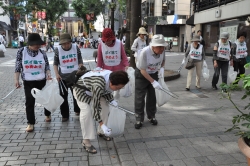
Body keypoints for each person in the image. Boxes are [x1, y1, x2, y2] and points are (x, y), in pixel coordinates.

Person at [73, 69, 129, 154]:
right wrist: (101, 123)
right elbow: (95, 107)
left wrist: (111, 100)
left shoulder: (112, 75)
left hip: (96, 90)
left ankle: (101, 132)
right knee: (87, 112)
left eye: (120, 88)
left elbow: (106, 89)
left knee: (105, 107)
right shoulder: (98, 85)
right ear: (111, 82)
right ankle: (86, 142)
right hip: (82, 90)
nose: (117, 90)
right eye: (117, 88)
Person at [14, 33, 52, 132]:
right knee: (29, 102)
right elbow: (18, 66)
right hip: (28, 81)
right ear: (30, 43)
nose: (37, 46)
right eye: (35, 44)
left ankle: (47, 113)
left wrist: (49, 75)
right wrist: (16, 80)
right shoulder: (21, 52)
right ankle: (30, 123)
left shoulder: (42, 53)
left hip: (41, 80)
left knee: (45, 99)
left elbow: (47, 66)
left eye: (38, 44)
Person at [134, 34, 166, 129]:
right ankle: (139, 118)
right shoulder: (144, 52)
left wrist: (161, 69)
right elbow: (143, 70)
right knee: (140, 97)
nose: (162, 50)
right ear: (154, 46)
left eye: (163, 47)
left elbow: (163, 61)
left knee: (152, 96)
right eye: (160, 48)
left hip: (153, 73)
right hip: (141, 75)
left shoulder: (162, 51)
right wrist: (153, 82)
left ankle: (151, 116)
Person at [53, 33, 83, 121]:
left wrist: (81, 68)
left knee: (76, 94)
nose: (66, 45)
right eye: (64, 43)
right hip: (63, 77)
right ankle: (65, 115)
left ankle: (77, 110)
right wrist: (57, 74)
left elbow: (80, 59)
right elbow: (55, 63)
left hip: (75, 75)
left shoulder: (75, 47)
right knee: (63, 95)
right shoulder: (57, 50)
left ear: (70, 42)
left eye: (67, 43)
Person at [97, 28, 129, 100]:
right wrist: (98, 70)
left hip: (118, 69)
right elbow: (99, 59)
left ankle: (115, 102)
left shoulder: (119, 43)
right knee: (108, 87)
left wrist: (127, 65)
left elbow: (123, 56)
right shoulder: (101, 45)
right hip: (107, 69)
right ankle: (109, 101)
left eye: (109, 40)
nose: (107, 42)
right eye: (105, 41)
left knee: (117, 88)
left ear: (113, 38)